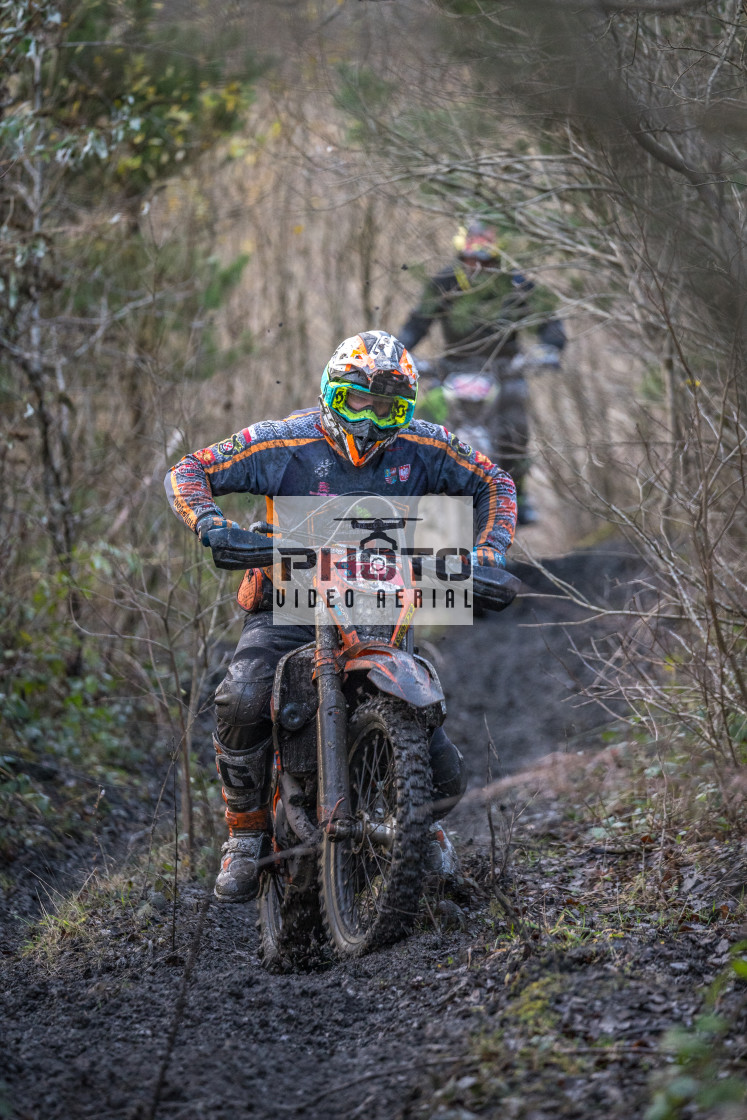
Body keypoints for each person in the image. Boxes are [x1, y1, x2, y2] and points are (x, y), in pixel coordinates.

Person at [165, 329, 517, 903]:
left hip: (380, 611)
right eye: (358, 401)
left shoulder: (424, 445)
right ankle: (246, 835)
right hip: (289, 604)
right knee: (244, 695)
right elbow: (190, 470)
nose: (372, 419)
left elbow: (494, 482)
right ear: (332, 392)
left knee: (440, 757)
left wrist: (487, 552)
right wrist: (211, 524)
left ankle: (420, 823)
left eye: (389, 407)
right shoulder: (284, 442)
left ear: (405, 410)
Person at [398, 219, 566, 525]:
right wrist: (399, 351)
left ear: (497, 257)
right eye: (470, 258)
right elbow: (416, 323)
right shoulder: (444, 283)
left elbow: (547, 321)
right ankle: (415, 491)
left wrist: (549, 348)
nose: (476, 265)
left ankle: (519, 496)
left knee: (514, 425)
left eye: (484, 259)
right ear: (460, 255)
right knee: (424, 420)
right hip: (452, 370)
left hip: (506, 370)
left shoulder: (515, 284)